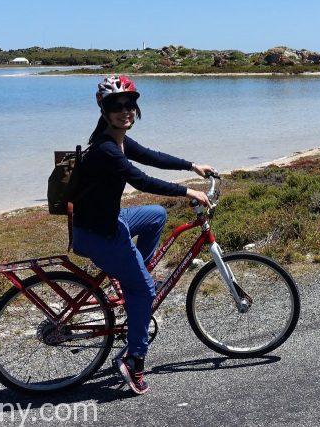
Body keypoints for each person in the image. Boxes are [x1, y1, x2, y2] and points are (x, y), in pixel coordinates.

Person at [71, 74, 214, 395]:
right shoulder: (106, 148)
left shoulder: (119, 138)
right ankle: (134, 360)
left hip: (108, 220)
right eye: (116, 105)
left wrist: (192, 166)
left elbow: (152, 156)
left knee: (156, 216)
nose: (126, 111)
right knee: (145, 291)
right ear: (103, 109)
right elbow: (142, 180)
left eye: (130, 104)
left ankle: (136, 280)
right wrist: (189, 191)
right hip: (97, 234)